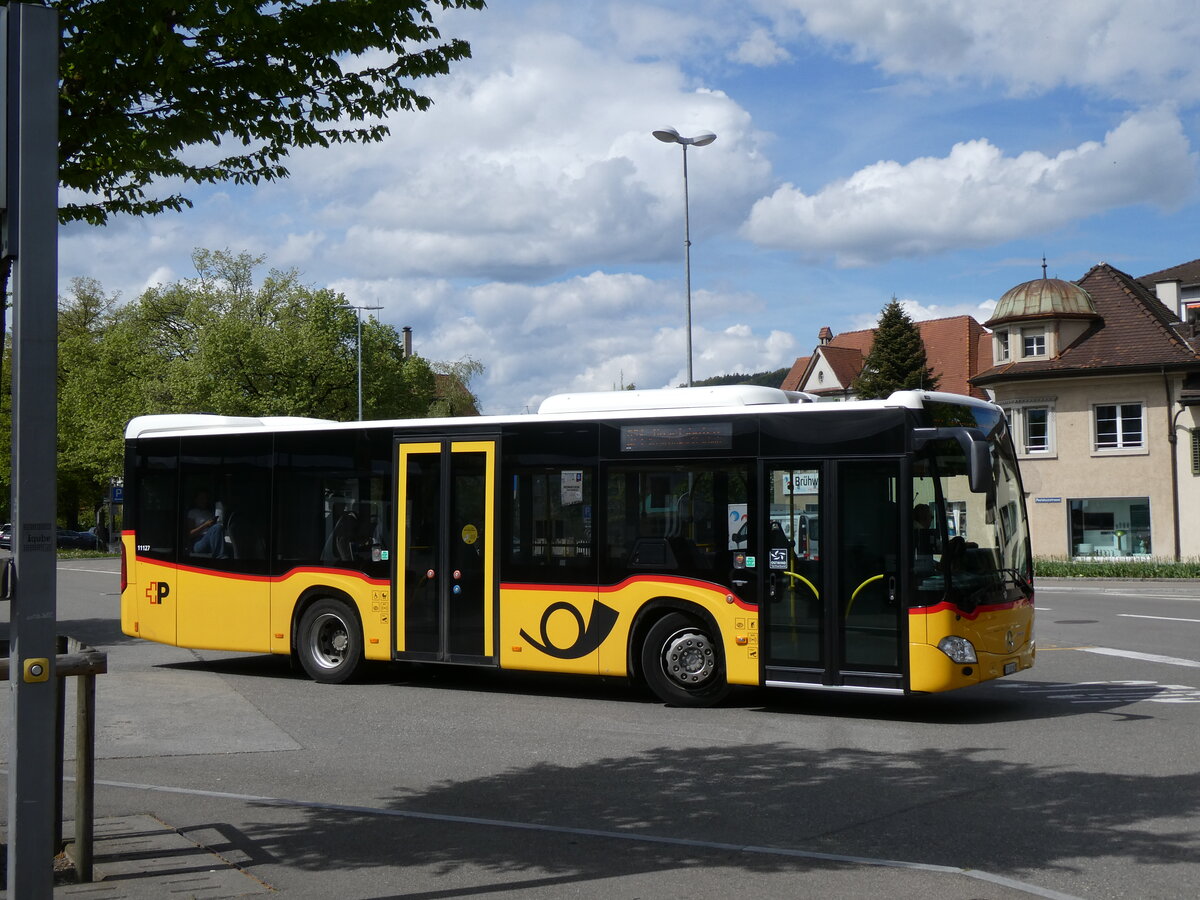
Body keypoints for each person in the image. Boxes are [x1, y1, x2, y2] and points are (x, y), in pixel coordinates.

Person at [187, 490, 225, 557]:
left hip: (212, 539)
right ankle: (220, 557)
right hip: (199, 542)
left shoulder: (210, 513)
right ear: (196, 500)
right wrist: (205, 525)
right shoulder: (192, 513)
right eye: (201, 498)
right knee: (217, 527)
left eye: (206, 498)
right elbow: (190, 534)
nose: (204, 501)